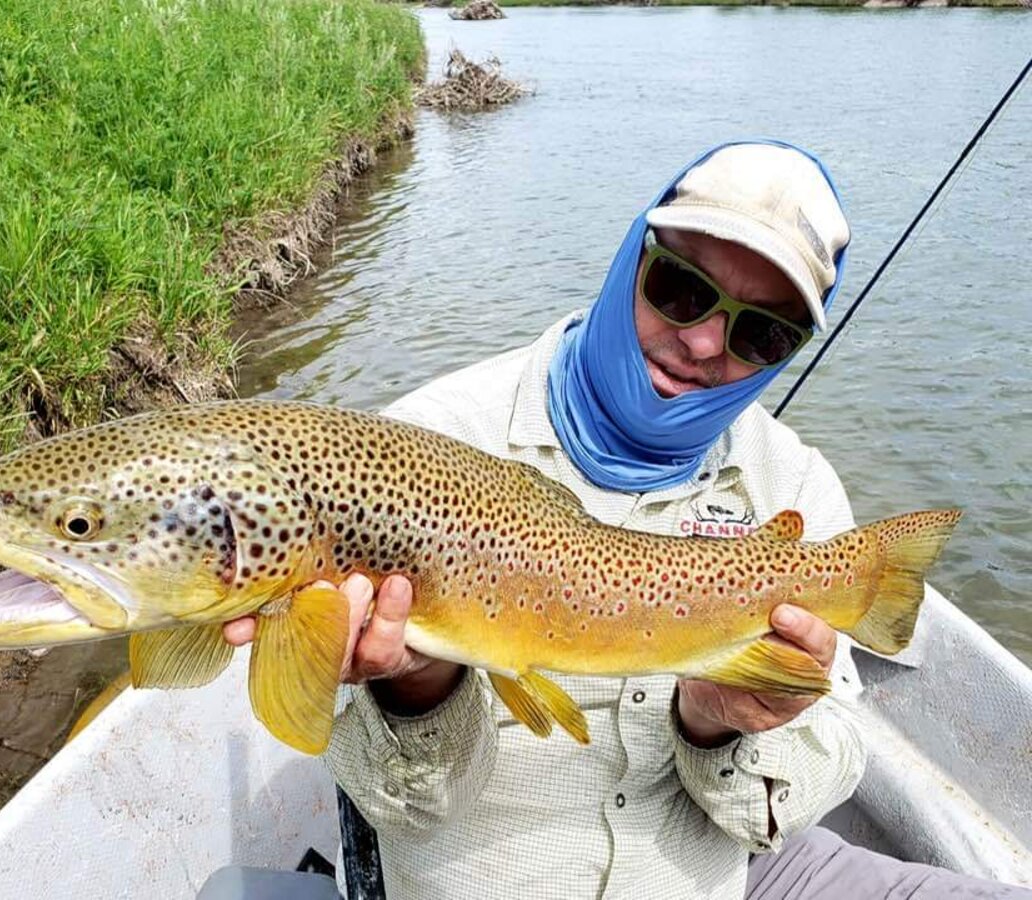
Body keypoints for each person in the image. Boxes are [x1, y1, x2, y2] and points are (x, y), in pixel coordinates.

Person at [223, 141, 1029, 899]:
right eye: (681, 289)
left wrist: (717, 726)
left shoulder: (796, 487)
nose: (704, 342)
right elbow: (401, 810)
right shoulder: (411, 451)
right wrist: (419, 683)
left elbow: (801, 797)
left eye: (760, 333)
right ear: (631, 259)